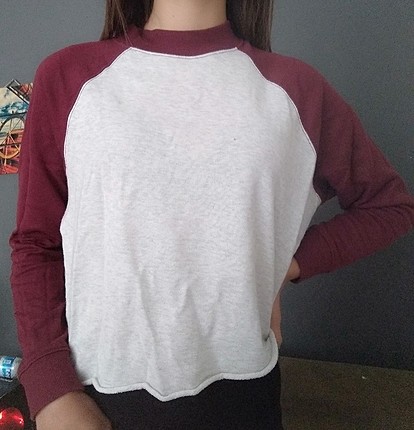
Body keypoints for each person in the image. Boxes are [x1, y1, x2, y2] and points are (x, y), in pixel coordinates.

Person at [9, 0, 414, 429]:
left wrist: (281, 266)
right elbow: (37, 243)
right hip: (96, 399)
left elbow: (389, 206)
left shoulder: (294, 89)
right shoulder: (71, 78)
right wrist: (51, 392)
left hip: (242, 400)